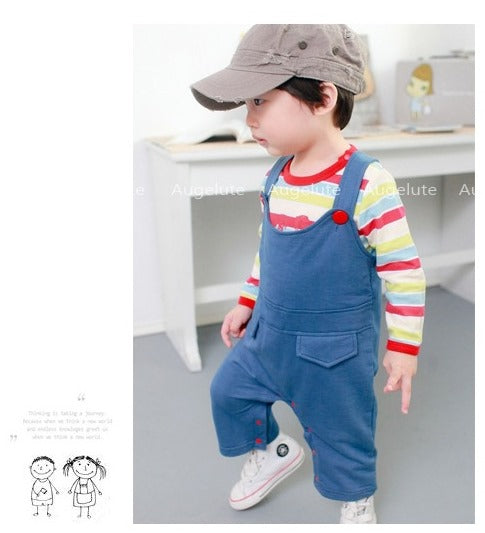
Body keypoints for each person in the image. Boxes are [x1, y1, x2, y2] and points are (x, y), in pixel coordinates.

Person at [190, 24, 425, 524]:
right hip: (267, 334)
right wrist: (247, 301)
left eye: (260, 101)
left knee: (343, 433)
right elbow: (268, 251)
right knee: (227, 393)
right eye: (246, 105)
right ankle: (274, 451)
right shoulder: (276, 176)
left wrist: (403, 347)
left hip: (332, 350)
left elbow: (403, 270)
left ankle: (356, 497)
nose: (249, 118)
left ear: (322, 97)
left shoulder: (368, 183)